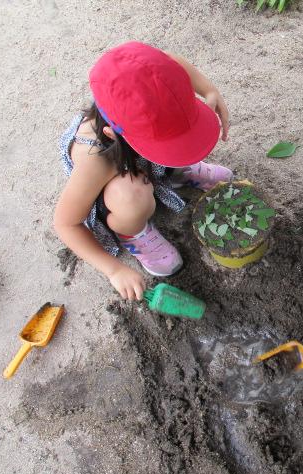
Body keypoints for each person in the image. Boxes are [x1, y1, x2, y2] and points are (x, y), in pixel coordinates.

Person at [54, 42, 233, 300]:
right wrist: (114, 270)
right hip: (117, 178)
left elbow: (172, 60)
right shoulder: (95, 160)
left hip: (141, 156)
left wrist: (209, 90)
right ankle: (133, 230)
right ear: (112, 134)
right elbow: (65, 223)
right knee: (132, 196)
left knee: (179, 137)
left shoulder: (155, 79)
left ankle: (178, 171)